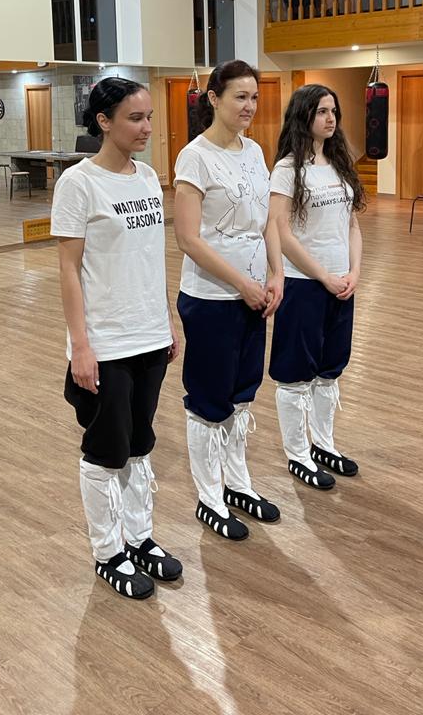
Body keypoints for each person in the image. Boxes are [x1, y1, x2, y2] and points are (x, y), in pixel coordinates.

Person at [51, 77, 182, 600]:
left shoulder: (148, 177)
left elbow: (150, 259)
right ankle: (108, 552)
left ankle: (139, 537)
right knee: (106, 452)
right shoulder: (78, 183)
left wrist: (167, 320)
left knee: (140, 444)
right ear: (103, 121)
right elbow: (68, 270)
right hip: (106, 343)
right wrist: (81, 346)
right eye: (135, 118)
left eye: (149, 116)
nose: (147, 127)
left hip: (149, 335)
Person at [174, 60, 283, 540]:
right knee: (209, 399)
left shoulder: (254, 151)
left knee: (242, 393)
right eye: (240, 96)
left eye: (254, 97)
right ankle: (209, 497)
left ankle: (237, 484)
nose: (249, 106)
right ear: (214, 98)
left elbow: (267, 222)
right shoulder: (194, 157)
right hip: (212, 297)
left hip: (255, 294)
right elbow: (188, 238)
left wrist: (277, 274)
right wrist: (242, 283)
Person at [268, 85, 365, 489]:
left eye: (334, 111)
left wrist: (354, 271)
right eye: (322, 111)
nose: (331, 119)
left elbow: (352, 225)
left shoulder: (340, 165)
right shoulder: (287, 169)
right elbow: (280, 231)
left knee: (330, 370)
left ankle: (323, 444)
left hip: (342, 283)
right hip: (304, 283)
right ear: (303, 115)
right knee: (295, 375)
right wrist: (323, 275)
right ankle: (297, 453)